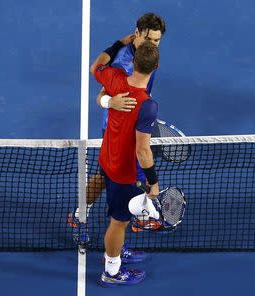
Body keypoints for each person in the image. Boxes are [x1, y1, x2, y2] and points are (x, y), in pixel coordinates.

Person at [68, 13, 166, 245]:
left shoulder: (146, 56)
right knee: (135, 171)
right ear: (138, 32)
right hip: (118, 127)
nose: (153, 44)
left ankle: (80, 215)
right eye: (150, 39)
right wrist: (109, 102)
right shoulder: (124, 62)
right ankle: (139, 214)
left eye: (157, 41)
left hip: (136, 117)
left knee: (105, 175)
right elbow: (102, 91)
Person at [93, 40, 161, 287]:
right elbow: (143, 151)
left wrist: (117, 45)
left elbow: (96, 67)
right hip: (124, 172)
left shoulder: (116, 79)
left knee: (119, 220)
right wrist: (153, 182)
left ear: (133, 62)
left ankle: (116, 251)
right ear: (156, 66)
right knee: (119, 221)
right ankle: (111, 271)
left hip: (106, 157)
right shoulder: (147, 105)